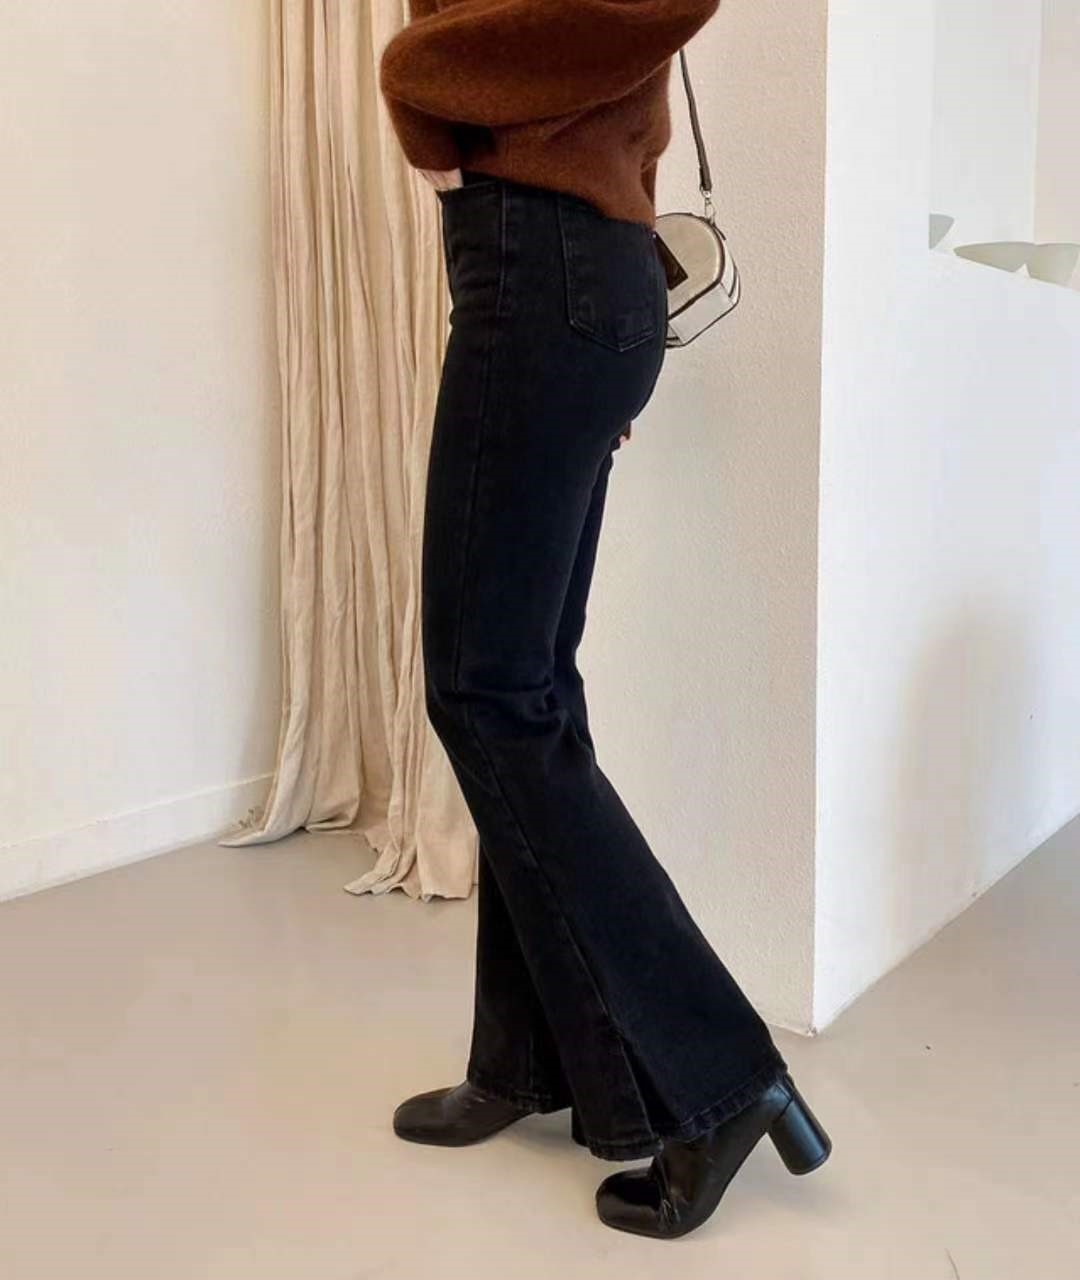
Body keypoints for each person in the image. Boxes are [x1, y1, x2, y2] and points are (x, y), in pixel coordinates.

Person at [378, 0, 831, 1240]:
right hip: (573, 274)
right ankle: (532, 1057)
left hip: (548, 268)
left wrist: (415, 71)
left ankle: (721, 1077)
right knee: (527, 685)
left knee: (489, 692)